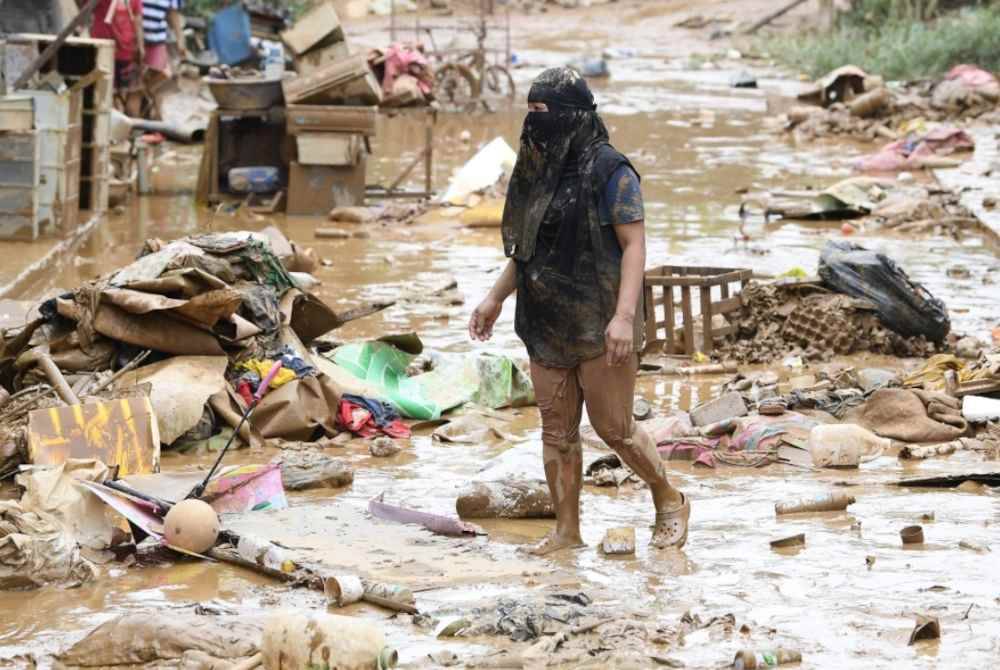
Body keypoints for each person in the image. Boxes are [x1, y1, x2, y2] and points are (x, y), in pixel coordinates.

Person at [469, 67, 689, 555]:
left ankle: (668, 498)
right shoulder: (536, 171)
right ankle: (568, 532)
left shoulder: (612, 171)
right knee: (557, 433)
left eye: (542, 112)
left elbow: (634, 247)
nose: (533, 123)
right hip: (545, 320)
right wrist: (494, 297)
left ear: (572, 116)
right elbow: (526, 251)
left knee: (616, 430)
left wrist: (625, 317)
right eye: (529, 111)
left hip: (601, 317)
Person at [84, 0, 144, 117]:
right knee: (106, 91)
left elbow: (137, 20)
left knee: (122, 93)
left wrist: (140, 46)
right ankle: (111, 119)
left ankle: (119, 120)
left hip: (125, 51)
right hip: (104, 49)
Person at [141, 0, 187, 91]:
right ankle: (142, 93)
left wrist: (180, 39)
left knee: (165, 73)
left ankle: (145, 93)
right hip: (134, 38)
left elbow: (173, 13)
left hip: (157, 39)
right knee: (136, 80)